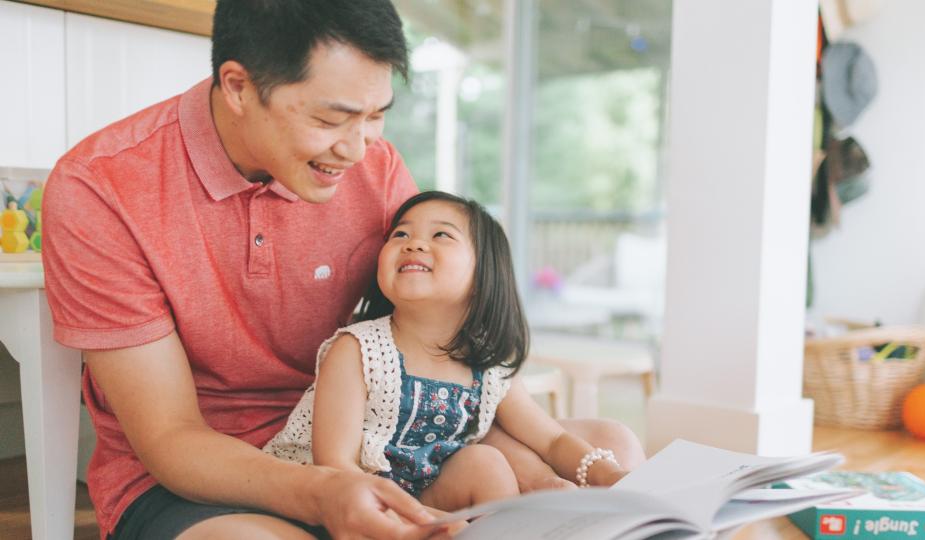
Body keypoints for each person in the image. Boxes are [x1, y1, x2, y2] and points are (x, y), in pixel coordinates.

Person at [41, 0, 642, 538]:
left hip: (374, 438)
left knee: (612, 447)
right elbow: (171, 439)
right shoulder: (100, 189)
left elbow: (429, 334)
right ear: (238, 87)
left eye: (377, 115)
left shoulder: (372, 166)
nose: (359, 149)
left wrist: (539, 474)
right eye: (331, 120)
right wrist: (329, 490)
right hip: (203, 478)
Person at [264, 191, 634, 510]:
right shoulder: (357, 350)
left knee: (484, 464)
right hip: (347, 496)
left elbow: (551, 440)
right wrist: (409, 519)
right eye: (400, 234)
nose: (414, 243)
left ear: (483, 273)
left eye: (441, 234)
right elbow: (335, 464)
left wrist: (609, 474)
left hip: (424, 493)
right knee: (485, 467)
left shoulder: (488, 367)